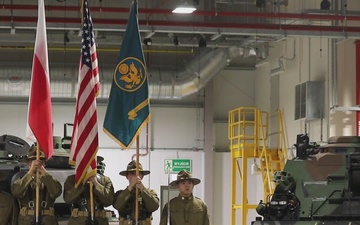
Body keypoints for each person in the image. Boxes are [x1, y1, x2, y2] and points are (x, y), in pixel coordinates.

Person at [11, 146, 62, 225]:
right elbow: (17, 192)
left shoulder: (50, 180)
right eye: (33, 161)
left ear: (44, 164)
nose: (36, 164)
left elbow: (56, 192)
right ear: (28, 163)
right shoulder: (21, 180)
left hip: (47, 220)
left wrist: (44, 173)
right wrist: (30, 173)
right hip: (27, 220)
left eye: (40, 161)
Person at [63, 156, 114, 225]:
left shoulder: (104, 180)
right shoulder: (72, 180)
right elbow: (68, 199)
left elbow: (109, 201)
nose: (89, 167)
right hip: (79, 221)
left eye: (92, 164)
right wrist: (82, 183)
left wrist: (96, 184)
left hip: (100, 220)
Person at [113, 160, 159, 225]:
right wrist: (130, 187)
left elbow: (154, 206)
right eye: (132, 173)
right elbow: (117, 206)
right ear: (127, 176)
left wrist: (142, 188)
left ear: (142, 176)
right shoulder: (120, 193)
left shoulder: (150, 192)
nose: (135, 176)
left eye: (138, 174)